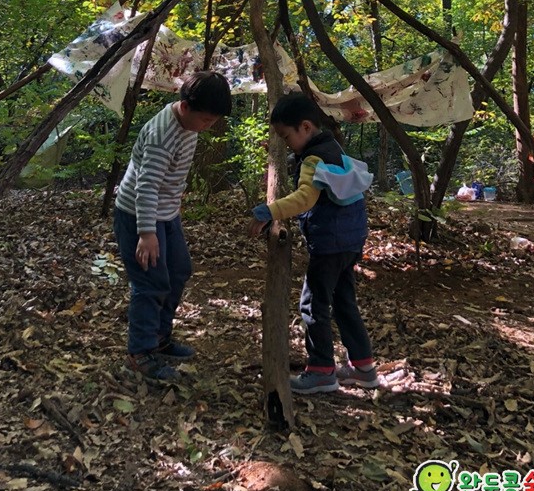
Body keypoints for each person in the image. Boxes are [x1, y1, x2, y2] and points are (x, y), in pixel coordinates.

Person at [248, 92, 378, 395]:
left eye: (286, 136)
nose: (285, 142)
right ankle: (364, 368)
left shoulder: (313, 159)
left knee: (313, 302)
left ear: (305, 127)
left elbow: (306, 197)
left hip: (330, 243)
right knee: (344, 301)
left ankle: (321, 370)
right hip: (351, 240)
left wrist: (270, 211)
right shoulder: (334, 148)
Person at [114, 71, 232, 382]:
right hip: (138, 215)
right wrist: (147, 233)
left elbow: (170, 180)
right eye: (205, 120)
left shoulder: (190, 126)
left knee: (179, 271)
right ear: (185, 106)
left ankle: (159, 338)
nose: (207, 126)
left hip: (166, 214)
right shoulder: (161, 136)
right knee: (150, 283)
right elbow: (146, 187)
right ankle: (139, 354)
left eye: (212, 121)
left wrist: (171, 211)